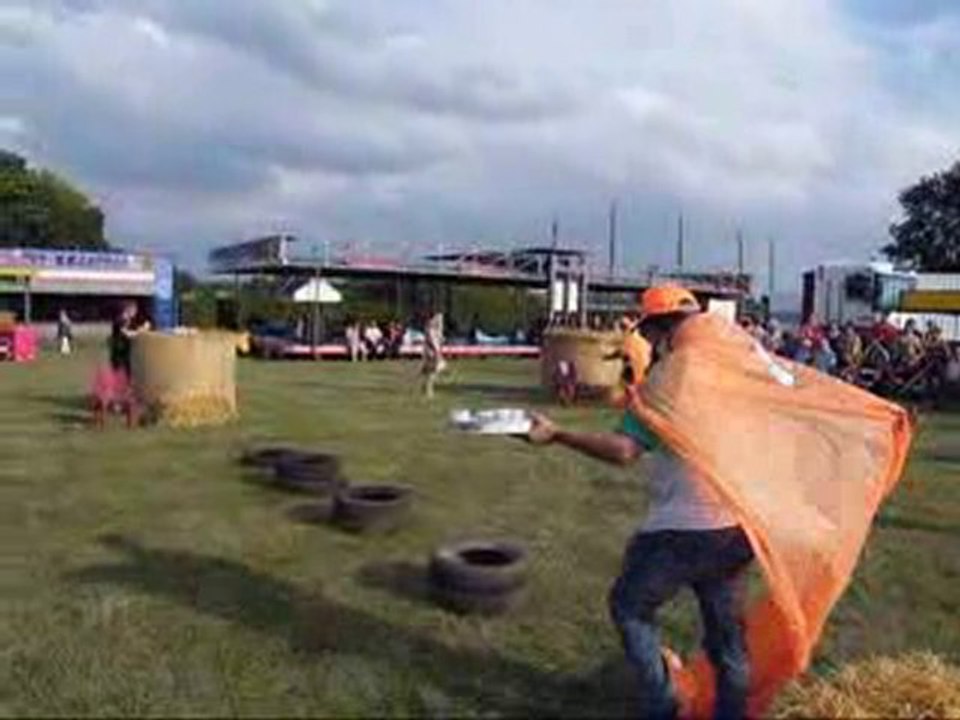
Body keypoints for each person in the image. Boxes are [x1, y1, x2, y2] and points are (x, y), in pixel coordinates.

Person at [527, 286, 753, 720]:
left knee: (629, 607)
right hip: (737, 527)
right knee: (727, 640)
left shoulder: (669, 378)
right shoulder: (738, 374)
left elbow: (624, 451)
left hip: (683, 528)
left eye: (648, 332)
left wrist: (558, 434)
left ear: (660, 328)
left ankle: (662, 704)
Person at [109, 301, 147, 377]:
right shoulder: (119, 320)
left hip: (126, 351)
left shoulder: (130, 320)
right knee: (119, 371)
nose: (135, 313)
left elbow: (142, 325)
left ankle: (126, 385)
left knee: (128, 370)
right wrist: (139, 332)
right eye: (134, 310)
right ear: (128, 310)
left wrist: (143, 327)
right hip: (118, 351)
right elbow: (128, 334)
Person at [421, 311, 446, 399]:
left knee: (432, 370)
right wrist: (437, 353)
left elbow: (439, 339)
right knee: (434, 370)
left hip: (431, 351)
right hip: (431, 352)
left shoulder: (432, 329)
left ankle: (428, 388)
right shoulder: (430, 329)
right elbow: (432, 342)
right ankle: (429, 389)